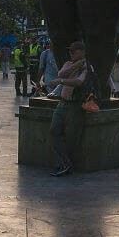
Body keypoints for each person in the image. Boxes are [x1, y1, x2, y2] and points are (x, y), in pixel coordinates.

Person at [46, 41, 89, 177]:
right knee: (54, 131)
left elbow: (79, 82)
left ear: (82, 51)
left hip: (75, 105)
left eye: (74, 51)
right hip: (62, 103)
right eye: (70, 51)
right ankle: (64, 162)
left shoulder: (86, 66)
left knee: (71, 137)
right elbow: (61, 73)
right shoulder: (70, 64)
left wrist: (61, 81)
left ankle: (65, 164)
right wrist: (74, 65)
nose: (70, 54)